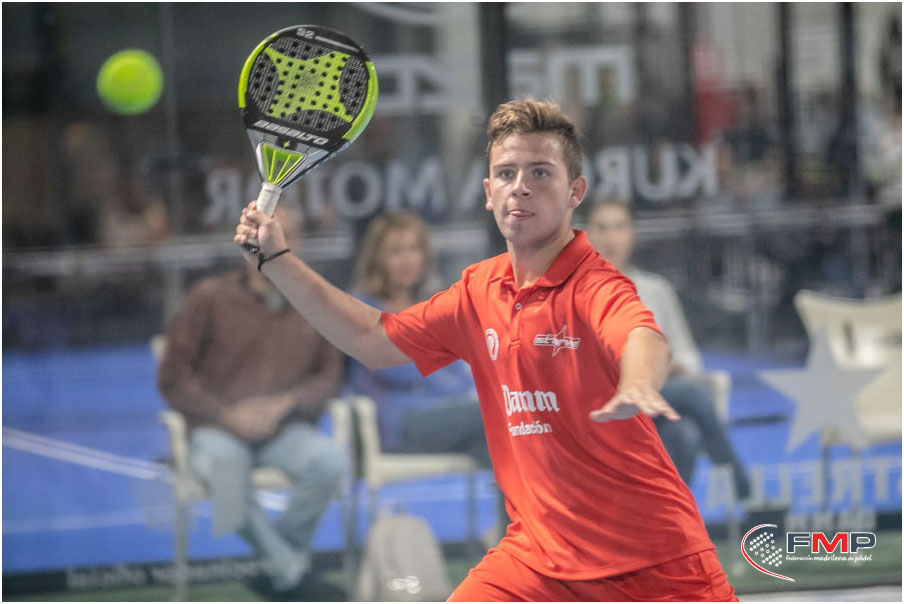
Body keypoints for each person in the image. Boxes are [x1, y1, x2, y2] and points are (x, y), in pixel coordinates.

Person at [236, 99, 737, 601]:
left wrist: (639, 380)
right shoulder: (478, 291)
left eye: (541, 172)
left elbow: (640, 334)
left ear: (575, 192)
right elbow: (373, 341)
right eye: (506, 173)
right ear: (488, 193)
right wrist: (277, 260)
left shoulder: (595, 284)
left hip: (652, 560)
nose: (520, 186)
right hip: (537, 560)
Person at [158, 204, 348, 601]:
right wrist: (225, 413)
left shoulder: (315, 299)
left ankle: (275, 567)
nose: (273, 242)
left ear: (297, 243)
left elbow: (330, 377)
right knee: (224, 476)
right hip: (218, 430)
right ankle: (291, 576)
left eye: (284, 235)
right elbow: (173, 376)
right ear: (246, 241)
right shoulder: (209, 298)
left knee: (331, 464)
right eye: (264, 234)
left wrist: (284, 405)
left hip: (284, 430)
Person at [586, 200, 751, 500]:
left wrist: (674, 365)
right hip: (605, 402)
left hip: (656, 401)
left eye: (619, 227)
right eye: (602, 228)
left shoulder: (656, 290)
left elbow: (687, 354)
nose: (611, 238)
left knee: (686, 436)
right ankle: (742, 485)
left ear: (632, 234)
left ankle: (665, 521)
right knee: (694, 395)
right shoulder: (576, 293)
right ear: (588, 235)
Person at [346, 211, 489, 466]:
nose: (407, 260)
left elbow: (458, 364)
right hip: (397, 421)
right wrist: (459, 391)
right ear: (377, 259)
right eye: (395, 252)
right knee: (496, 414)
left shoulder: (429, 306)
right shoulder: (361, 307)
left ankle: (514, 493)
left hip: (448, 412)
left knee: (498, 443)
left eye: (413, 249)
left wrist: (468, 389)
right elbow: (394, 367)